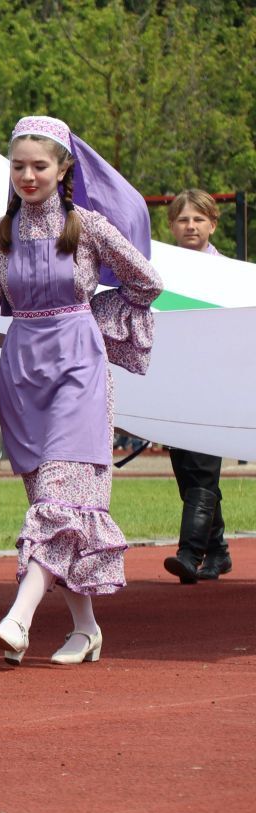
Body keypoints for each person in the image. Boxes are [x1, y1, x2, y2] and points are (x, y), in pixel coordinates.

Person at [0, 116, 163, 666]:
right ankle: (85, 629)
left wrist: (95, 320)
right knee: (55, 504)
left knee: (60, 497)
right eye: (19, 166)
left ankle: (19, 618)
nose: (28, 176)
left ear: (64, 169)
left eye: (40, 165)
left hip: (80, 371)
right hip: (21, 375)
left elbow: (146, 281)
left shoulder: (87, 226)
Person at [163, 189, 230, 582]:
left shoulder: (229, 274)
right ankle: (218, 551)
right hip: (174, 387)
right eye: (184, 219)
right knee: (187, 472)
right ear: (171, 226)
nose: (191, 226)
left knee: (202, 472)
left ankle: (189, 554)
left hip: (213, 387)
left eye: (199, 219)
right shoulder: (161, 270)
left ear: (213, 224)